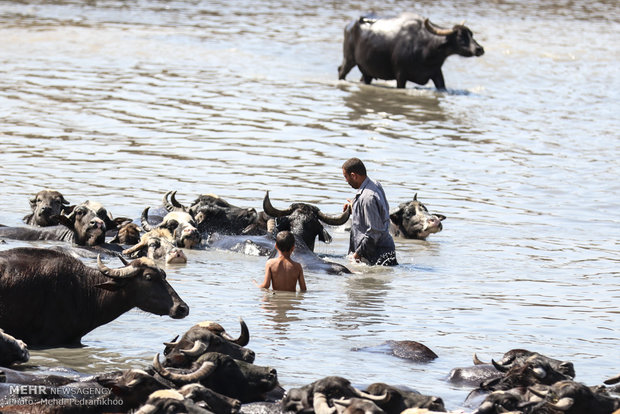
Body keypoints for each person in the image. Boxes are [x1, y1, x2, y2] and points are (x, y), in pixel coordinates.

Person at [342, 157, 398, 266]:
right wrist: (354, 204)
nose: (346, 181)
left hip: (376, 254)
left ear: (354, 176)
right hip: (384, 249)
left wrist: (357, 255)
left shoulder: (367, 198)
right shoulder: (374, 185)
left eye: (346, 177)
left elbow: (374, 232)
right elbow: (380, 212)